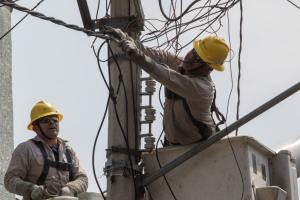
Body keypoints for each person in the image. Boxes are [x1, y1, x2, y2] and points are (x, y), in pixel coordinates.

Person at [104, 28, 229, 145]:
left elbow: (164, 74)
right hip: (173, 146)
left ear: (208, 68)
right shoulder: (181, 64)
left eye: (198, 58)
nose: (190, 57)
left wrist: (137, 56)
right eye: (194, 51)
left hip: (200, 148)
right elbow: (155, 55)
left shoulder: (201, 88)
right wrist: (126, 38)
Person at [4, 101, 88, 200]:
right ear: (35, 128)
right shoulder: (26, 149)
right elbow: (10, 180)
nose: (52, 123)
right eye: (46, 120)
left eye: (55, 120)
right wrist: (31, 189)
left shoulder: (68, 151)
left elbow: (83, 178)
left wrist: (70, 189)